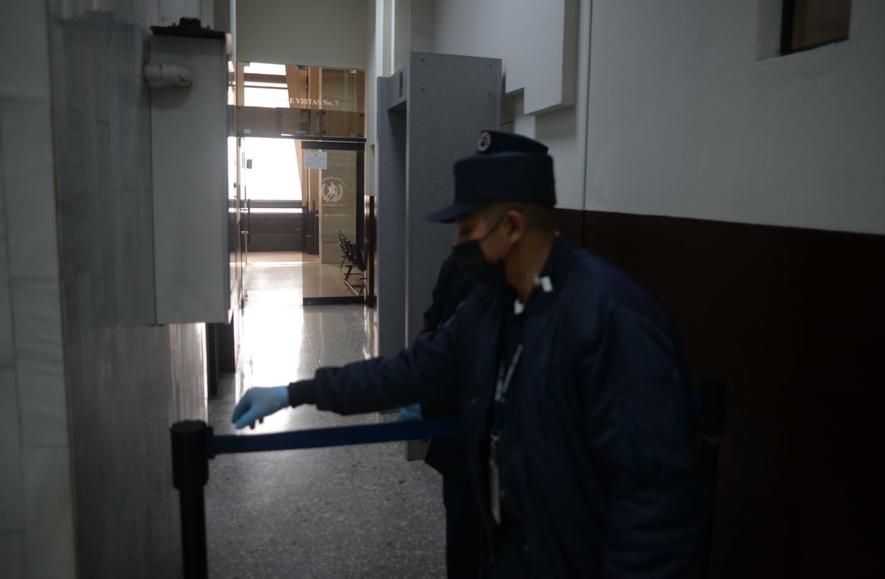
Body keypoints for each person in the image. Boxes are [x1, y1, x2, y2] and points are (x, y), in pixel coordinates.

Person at [232, 130, 705, 577]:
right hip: (515, 544)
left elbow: (654, 504)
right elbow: (409, 371)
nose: (458, 243)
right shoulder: (489, 306)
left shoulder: (610, 319)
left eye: (468, 227)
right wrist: (298, 391)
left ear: (513, 227)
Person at [418, 254, 483, 579]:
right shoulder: (458, 263)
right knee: (461, 538)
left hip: (515, 453)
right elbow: (433, 322)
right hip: (457, 437)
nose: (462, 238)